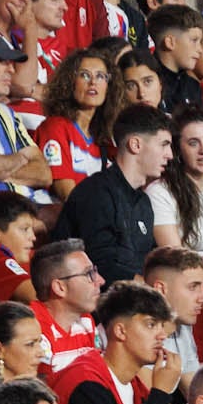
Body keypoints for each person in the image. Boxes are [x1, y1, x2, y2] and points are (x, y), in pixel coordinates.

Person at [49, 107, 170, 284]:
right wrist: (152, 289)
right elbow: (101, 266)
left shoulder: (143, 201)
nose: (170, 155)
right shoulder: (96, 193)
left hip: (132, 300)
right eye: (164, 145)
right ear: (135, 145)